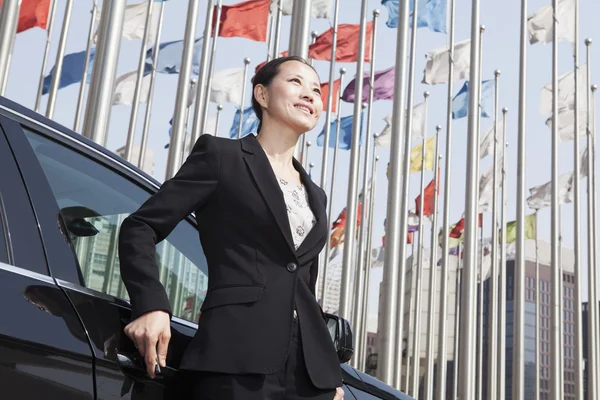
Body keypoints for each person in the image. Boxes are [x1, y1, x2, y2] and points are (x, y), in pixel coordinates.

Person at [118, 56, 345, 400]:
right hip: (234, 359)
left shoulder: (317, 194)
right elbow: (141, 226)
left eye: (316, 89)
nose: (310, 94)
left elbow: (302, 284)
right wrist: (150, 304)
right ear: (262, 95)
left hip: (310, 378)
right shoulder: (222, 156)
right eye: (296, 83)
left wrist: (328, 373)